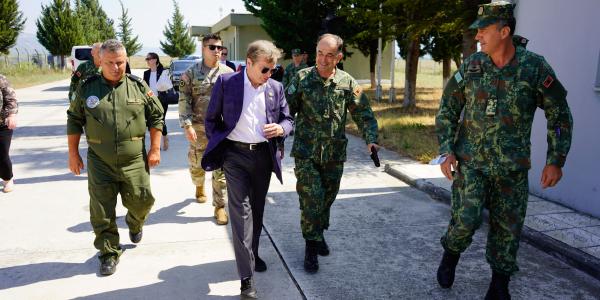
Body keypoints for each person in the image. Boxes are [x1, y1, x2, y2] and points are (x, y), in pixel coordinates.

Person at [434, 2, 573, 299]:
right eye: (477, 30)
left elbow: (559, 115)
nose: (478, 36)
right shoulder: (471, 67)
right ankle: (450, 253)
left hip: (512, 168)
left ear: (504, 31)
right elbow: (447, 110)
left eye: (484, 30)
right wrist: (447, 151)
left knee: (507, 230)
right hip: (471, 164)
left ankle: (500, 284)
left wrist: (555, 160)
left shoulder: (533, 67)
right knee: (465, 221)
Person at [201, 40, 293, 299]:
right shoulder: (227, 83)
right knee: (241, 213)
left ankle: (252, 254)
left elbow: (288, 119)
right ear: (248, 63)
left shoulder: (275, 88)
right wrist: (221, 147)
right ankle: (247, 278)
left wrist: (281, 129)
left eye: (272, 70)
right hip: (235, 157)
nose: (269, 75)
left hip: (263, 157)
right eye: (265, 69)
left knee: (257, 209)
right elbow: (211, 119)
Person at [67, 39, 165, 276]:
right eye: (110, 62)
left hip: (134, 161)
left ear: (126, 60)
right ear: (100, 61)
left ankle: (135, 222)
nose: (115, 67)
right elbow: (74, 119)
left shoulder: (138, 86)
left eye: (120, 62)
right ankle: (109, 252)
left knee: (143, 201)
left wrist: (155, 148)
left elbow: (156, 117)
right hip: (100, 160)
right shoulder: (87, 87)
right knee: (101, 210)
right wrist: (73, 154)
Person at [286, 33, 378, 273]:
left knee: (327, 199)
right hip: (306, 152)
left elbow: (363, 114)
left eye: (329, 55)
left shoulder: (347, 83)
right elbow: (285, 111)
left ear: (338, 57)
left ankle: (318, 233)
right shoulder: (302, 79)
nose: (323, 60)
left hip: (334, 155)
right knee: (311, 200)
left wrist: (371, 140)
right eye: (319, 53)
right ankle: (310, 247)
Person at [179, 33, 233, 224]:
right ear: (203, 49)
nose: (217, 51)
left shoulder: (228, 73)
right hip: (198, 129)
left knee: (221, 170)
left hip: (220, 131)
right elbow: (184, 101)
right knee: (197, 165)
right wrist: (187, 125)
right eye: (212, 47)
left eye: (220, 48)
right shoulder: (190, 74)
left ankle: (219, 207)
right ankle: (199, 185)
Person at [144, 52, 171, 151]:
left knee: (161, 120)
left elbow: (168, 84)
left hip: (162, 100)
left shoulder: (163, 71)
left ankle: (165, 138)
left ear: (155, 60)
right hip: (150, 101)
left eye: (149, 59)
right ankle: (156, 144)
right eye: (146, 59)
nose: (147, 61)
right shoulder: (146, 73)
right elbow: (145, 88)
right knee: (152, 122)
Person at [0, 74, 18, 193]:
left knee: (2, 153)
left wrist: (11, 115)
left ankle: (7, 178)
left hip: (2, 123)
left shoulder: (1, 79)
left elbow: (10, 97)